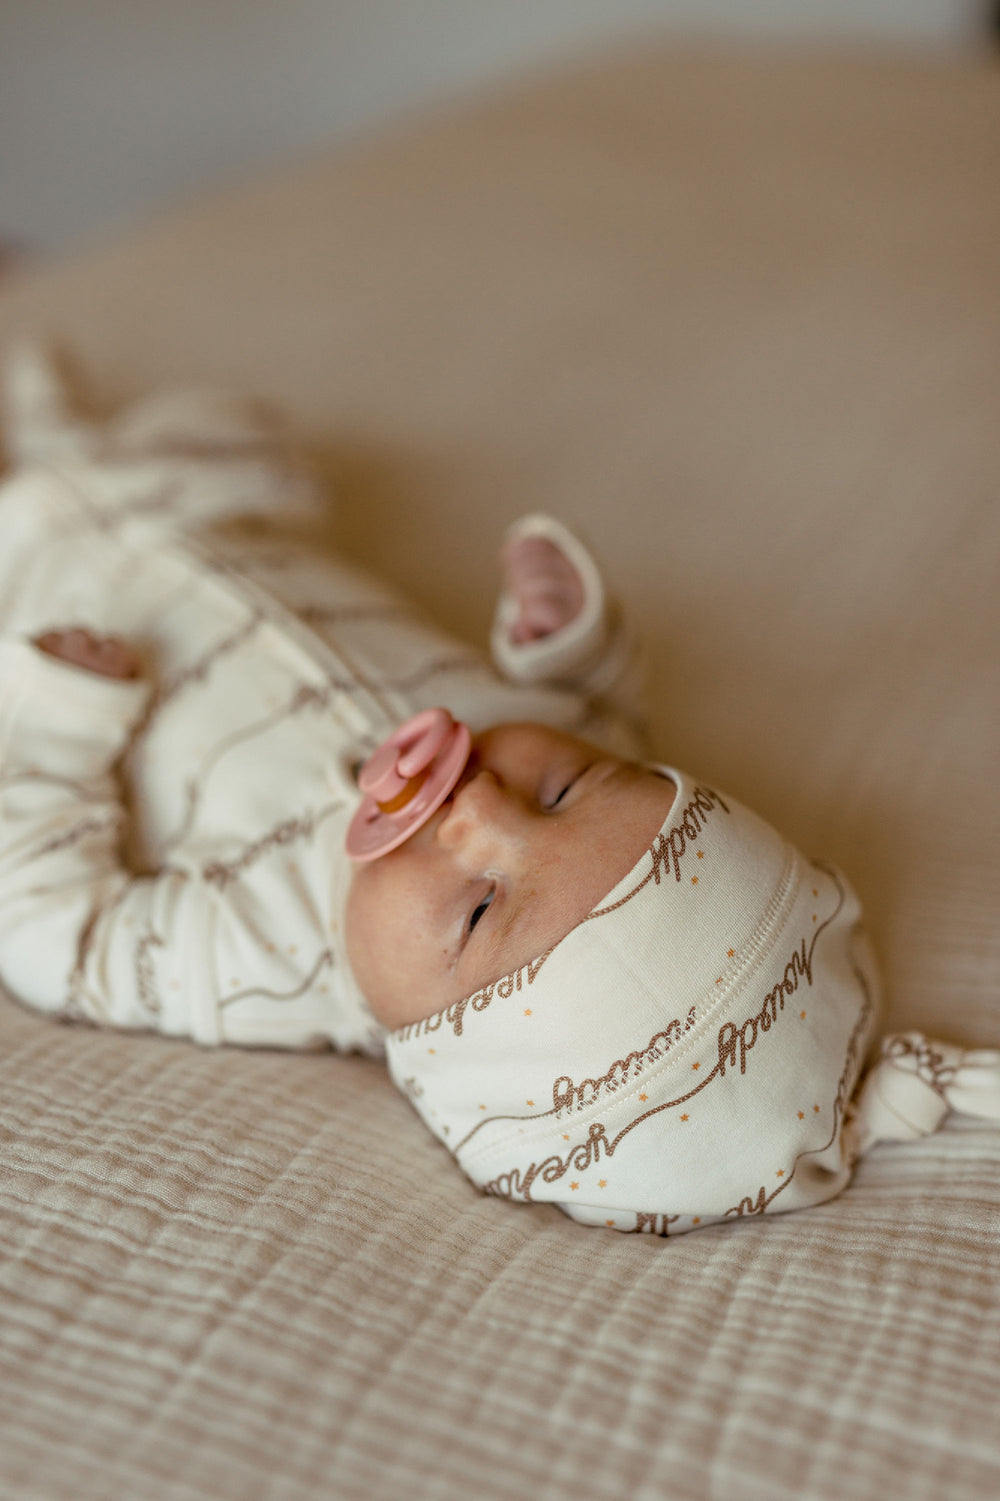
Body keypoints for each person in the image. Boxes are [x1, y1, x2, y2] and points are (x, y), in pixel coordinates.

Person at [3, 346, 997, 1236]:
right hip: (209, 515)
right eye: (563, 788)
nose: (474, 800)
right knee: (237, 434)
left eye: (478, 908)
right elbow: (600, 709)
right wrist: (566, 643)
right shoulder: (568, 744)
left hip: (51, 605)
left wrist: (56, 721)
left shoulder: (268, 957)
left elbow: (57, 933)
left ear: (434, 1048)